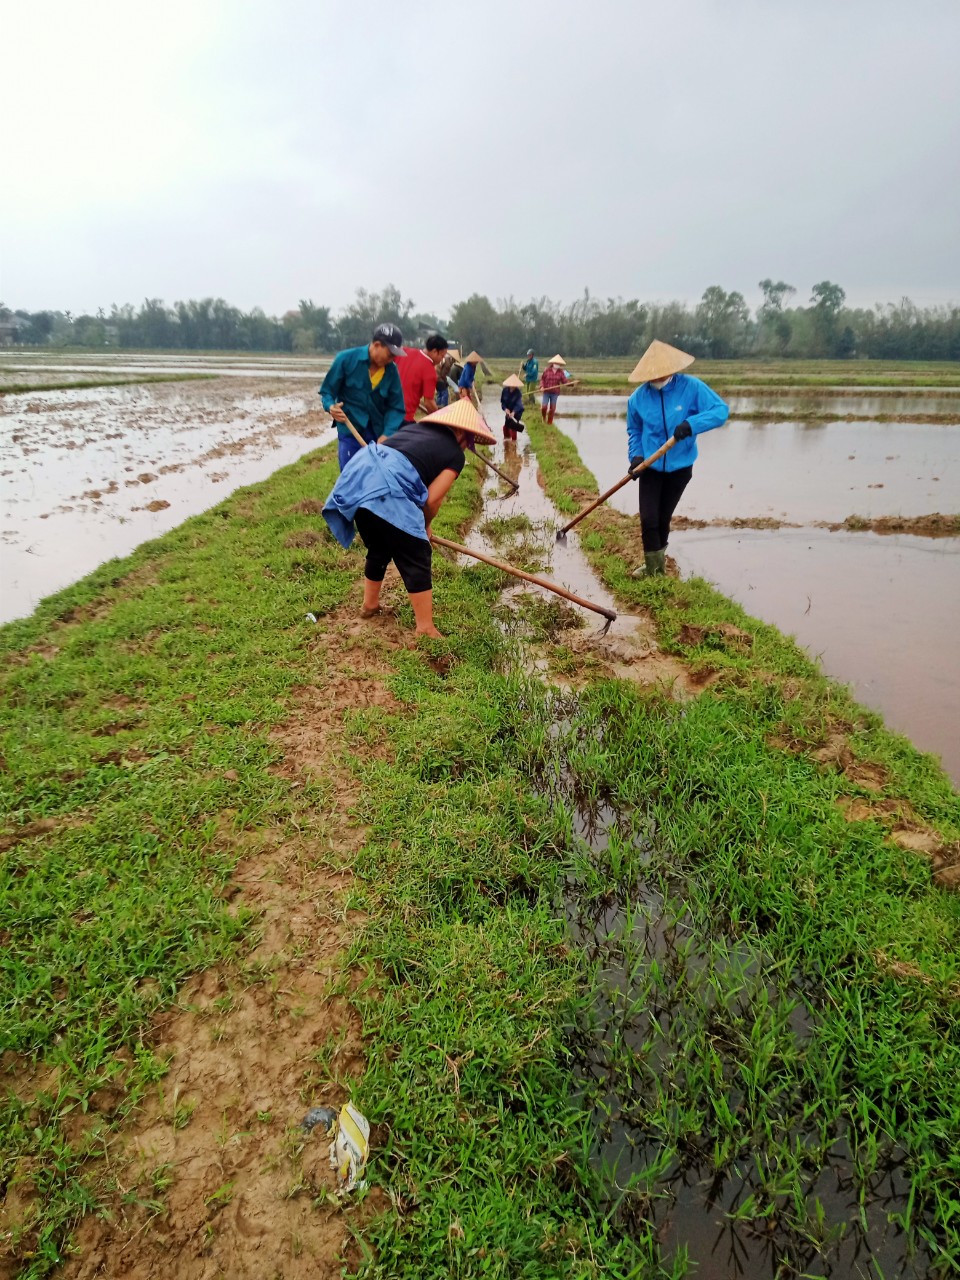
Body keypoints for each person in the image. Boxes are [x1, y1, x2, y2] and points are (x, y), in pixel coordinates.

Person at [322, 398, 497, 638]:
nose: (467, 446)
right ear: (460, 432)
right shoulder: (455, 454)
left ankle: (369, 606)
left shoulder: (414, 429)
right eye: (468, 440)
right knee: (416, 554)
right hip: (385, 487)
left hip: (360, 478)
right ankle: (425, 629)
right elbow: (432, 500)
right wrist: (423, 527)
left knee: (380, 547)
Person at [626, 339, 729, 577]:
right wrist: (636, 456)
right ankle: (653, 569)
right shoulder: (637, 399)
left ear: (672, 370)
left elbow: (720, 411)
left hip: (680, 467)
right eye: (652, 376)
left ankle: (657, 568)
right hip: (650, 466)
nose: (657, 379)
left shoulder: (691, 388)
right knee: (649, 518)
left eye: (662, 374)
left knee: (663, 518)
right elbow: (635, 431)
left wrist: (691, 424)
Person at [319, 323, 406, 470]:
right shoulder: (346, 360)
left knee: (375, 477)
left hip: (378, 434)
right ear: (377, 345)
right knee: (350, 476)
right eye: (390, 355)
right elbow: (327, 391)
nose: (392, 360)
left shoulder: (391, 371)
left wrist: (387, 434)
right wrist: (331, 407)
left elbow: (396, 407)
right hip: (350, 430)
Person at [397, 334, 449, 427]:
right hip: (403, 417)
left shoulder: (405, 351)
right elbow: (429, 403)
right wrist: (440, 419)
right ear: (434, 351)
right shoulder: (430, 371)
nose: (442, 359)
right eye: (442, 356)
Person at [539, 355, 567, 424]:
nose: (557, 364)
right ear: (553, 363)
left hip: (555, 393)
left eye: (558, 363)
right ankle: (544, 417)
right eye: (556, 363)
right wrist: (542, 387)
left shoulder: (561, 372)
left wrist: (571, 384)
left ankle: (549, 422)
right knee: (544, 407)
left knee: (552, 409)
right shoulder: (547, 370)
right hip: (546, 391)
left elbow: (564, 381)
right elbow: (542, 379)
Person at [500, 374, 525, 441]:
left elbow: (519, 405)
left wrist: (514, 412)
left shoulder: (518, 393)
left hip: (517, 411)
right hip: (508, 411)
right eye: (511, 385)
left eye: (514, 386)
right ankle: (506, 440)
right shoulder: (505, 391)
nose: (512, 387)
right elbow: (503, 402)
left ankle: (514, 442)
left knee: (513, 426)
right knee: (506, 425)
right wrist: (505, 409)